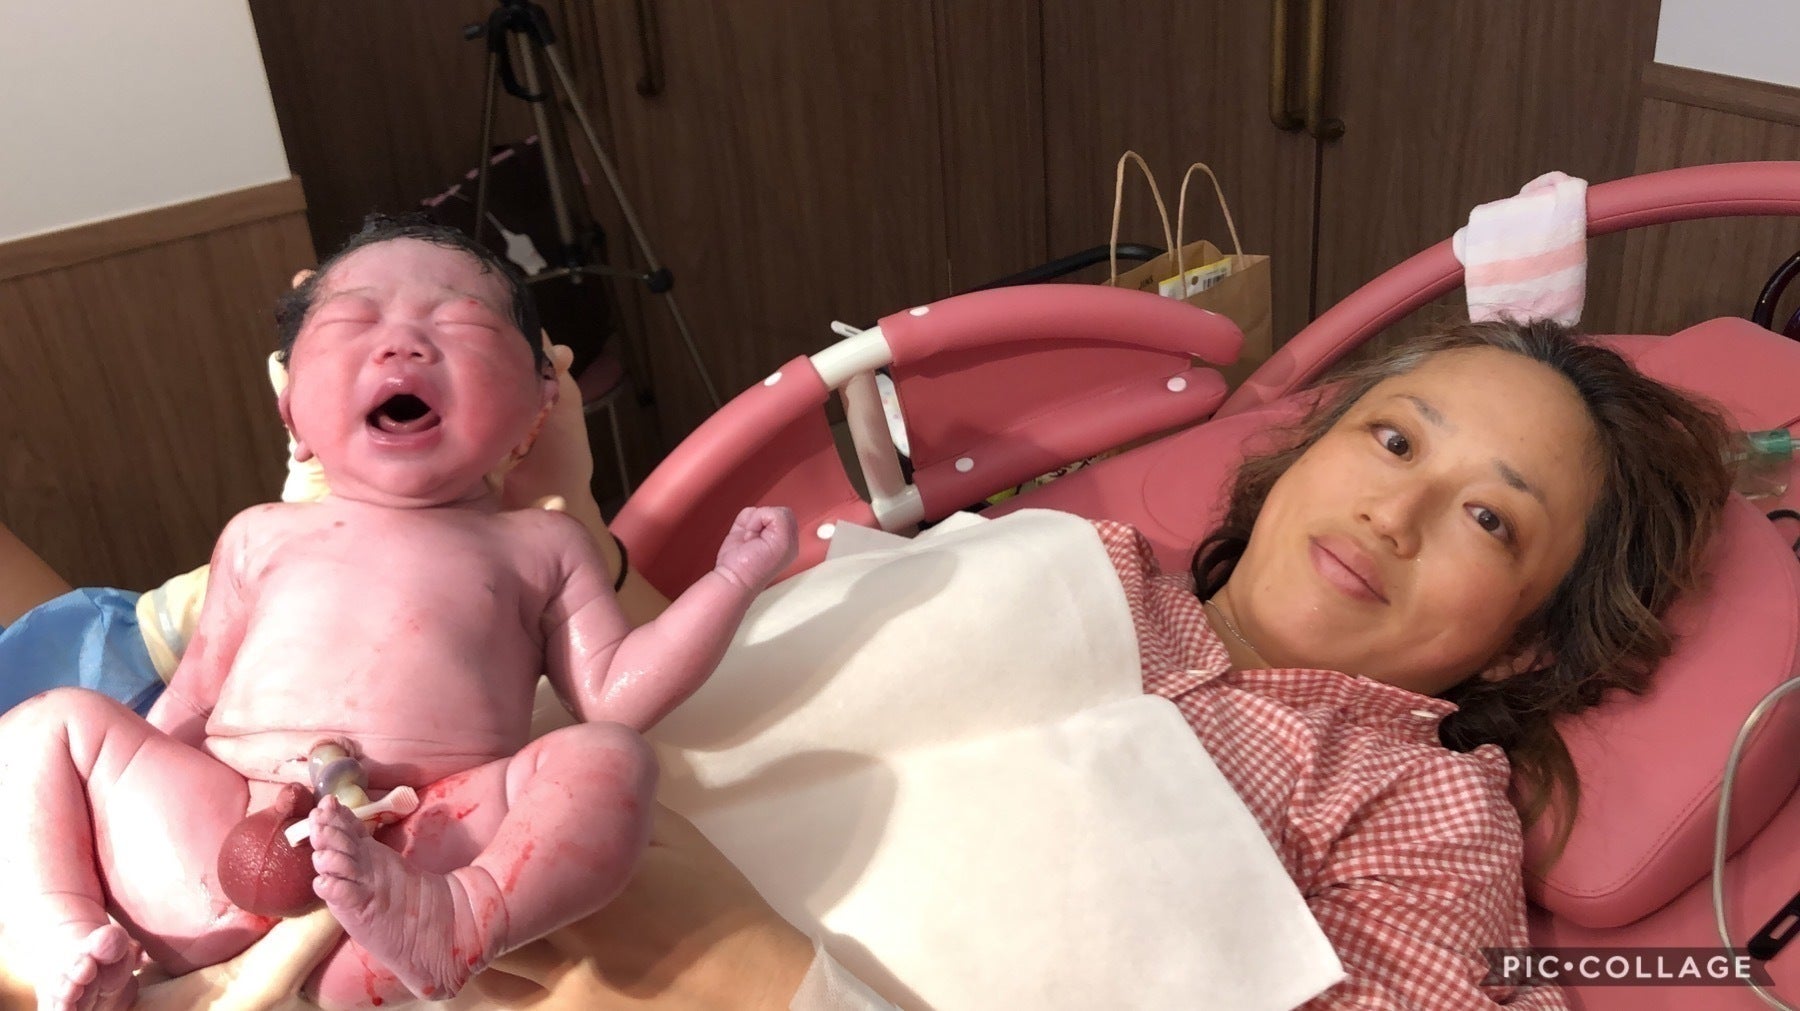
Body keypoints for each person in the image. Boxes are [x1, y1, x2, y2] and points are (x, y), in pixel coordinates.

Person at [0, 311, 1735, 1010]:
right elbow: (724, 679)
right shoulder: (1057, 547)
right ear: (1306, 449)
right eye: (1393, 436)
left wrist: (747, 969)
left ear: (1535, 633)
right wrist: (564, 527)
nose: (1398, 509)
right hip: (411, 869)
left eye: (1491, 517)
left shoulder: (1420, 812)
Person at [0, 214, 798, 1011]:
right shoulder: (259, 534)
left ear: (539, 403)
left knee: (610, 758)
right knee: (52, 722)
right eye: (353, 324)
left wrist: (730, 581)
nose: (403, 346)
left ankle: (468, 919)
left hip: (422, 843)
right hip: (219, 827)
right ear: (291, 413)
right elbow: (192, 697)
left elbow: (614, 695)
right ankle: (72, 935)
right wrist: (130, 789)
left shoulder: (543, 544)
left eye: (460, 324)